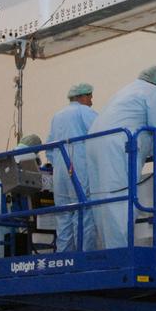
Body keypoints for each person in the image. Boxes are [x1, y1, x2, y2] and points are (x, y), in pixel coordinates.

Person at [85, 67, 156, 249]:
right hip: (119, 144)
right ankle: (121, 252)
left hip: (95, 143)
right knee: (120, 196)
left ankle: (108, 249)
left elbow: (136, 126)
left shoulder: (127, 90)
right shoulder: (153, 91)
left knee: (102, 198)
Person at [48, 83, 98, 252]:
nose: (91, 101)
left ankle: (65, 259)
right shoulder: (84, 111)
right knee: (83, 211)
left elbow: (49, 146)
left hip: (59, 168)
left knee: (63, 214)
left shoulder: (57, 116)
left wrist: (56, 163)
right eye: (90, 97)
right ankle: (83, 257)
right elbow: (102, 134)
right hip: (78, 164)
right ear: (82, 96)